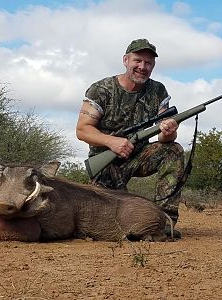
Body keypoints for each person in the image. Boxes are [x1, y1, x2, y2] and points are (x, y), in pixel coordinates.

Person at [76, 38, 184, 238]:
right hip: (106, 162)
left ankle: (164, 222)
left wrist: (169, 132)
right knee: (107, 220)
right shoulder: (101, 89)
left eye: (148, 62)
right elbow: (82, 130)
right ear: (126, 60)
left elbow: (164, 136)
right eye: (137, 61)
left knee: (174, 149)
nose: (142, 67)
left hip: (138, 156)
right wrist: (111, 142)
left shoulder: (158, 90)